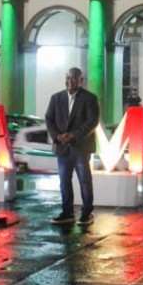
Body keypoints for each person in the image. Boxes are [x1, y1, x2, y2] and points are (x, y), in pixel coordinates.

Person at [45, 67, 100, 226]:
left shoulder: (90, 99)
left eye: (74, 78)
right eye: (68, 77)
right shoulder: (56, 98)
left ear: (81, 80)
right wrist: (57, 136)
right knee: (64, 181)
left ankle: (87, 212)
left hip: (81, 148)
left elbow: (92, 121)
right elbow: (49, 119)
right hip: (62, 148)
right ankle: (67, 212)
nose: (70, 81)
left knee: (85, 181)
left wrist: (74, 135)